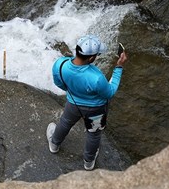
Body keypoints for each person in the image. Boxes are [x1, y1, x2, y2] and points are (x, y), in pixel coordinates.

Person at [47, 35, 128, 171]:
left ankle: (54, 144)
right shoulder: (96, 78)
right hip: (96, 110)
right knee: (94, 133)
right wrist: (119, 67)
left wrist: (72, 91)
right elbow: (110, 92)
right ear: (91, 58)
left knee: (65, 122)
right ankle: (89, 161)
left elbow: (58, 82)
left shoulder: (60, 64)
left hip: (73, 104)